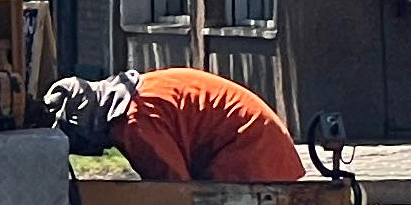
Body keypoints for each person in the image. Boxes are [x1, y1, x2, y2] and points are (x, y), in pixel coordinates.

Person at [43, 67, 306, 184]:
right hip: (256, 138)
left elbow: (176, 193)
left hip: (249, 146)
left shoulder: (135, 123)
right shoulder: (141, 92)